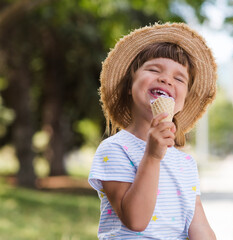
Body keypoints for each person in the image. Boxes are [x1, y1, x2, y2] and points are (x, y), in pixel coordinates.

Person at [88, 22, 217, 239]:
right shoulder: (115, 149)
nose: (166, 79)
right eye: (154, 70)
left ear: (183, 102)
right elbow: (136, 220)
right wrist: (152, 155)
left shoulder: (185, 164)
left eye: (179, 78)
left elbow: (199, 227)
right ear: (129, 86)